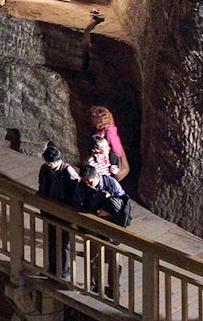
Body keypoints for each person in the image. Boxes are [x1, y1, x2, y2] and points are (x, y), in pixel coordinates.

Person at [71, 164, 132, 297]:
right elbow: (76, 204)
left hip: (112, 227)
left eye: (90, 181)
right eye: (84, 181)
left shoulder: (110, 182)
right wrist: (94, 213)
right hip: (93, 226)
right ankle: (95, 284)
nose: (88, 184)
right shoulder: (82, 187)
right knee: (94, 255)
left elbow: (123, 201)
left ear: (96, 176)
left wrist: (109, 210)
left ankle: (114, 288)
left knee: (114, 258)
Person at [37, 143, 79, 278]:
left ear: (58, 160)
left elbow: (76, 191)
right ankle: (51, 268)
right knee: (50, 240)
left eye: (51, 163)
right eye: (47, 162)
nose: (49, 165)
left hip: (63, 212)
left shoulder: (68, 172)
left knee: (63, 243)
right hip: (49, 209)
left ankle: (63, 270)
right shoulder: (44, 169)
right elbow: (41, 184)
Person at [89, 106, 129, 180]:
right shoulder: (103, 130)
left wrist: (111, 160)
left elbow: (117, 150)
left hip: (112, 160)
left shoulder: (109, 133)